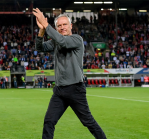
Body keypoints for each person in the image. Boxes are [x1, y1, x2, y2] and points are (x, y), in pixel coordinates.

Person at [33, 8, 107, 139]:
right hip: (59, 90)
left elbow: (63, 42)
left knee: (88, 122)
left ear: (71, 26)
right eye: (59, 26)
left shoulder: (76, 39)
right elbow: (40, 48)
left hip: (75, 89)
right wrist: (42, 31)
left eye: (64, 24)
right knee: (49, 122)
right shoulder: (55, 41)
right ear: (56, 29)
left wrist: (46, 24)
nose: (62, 27)